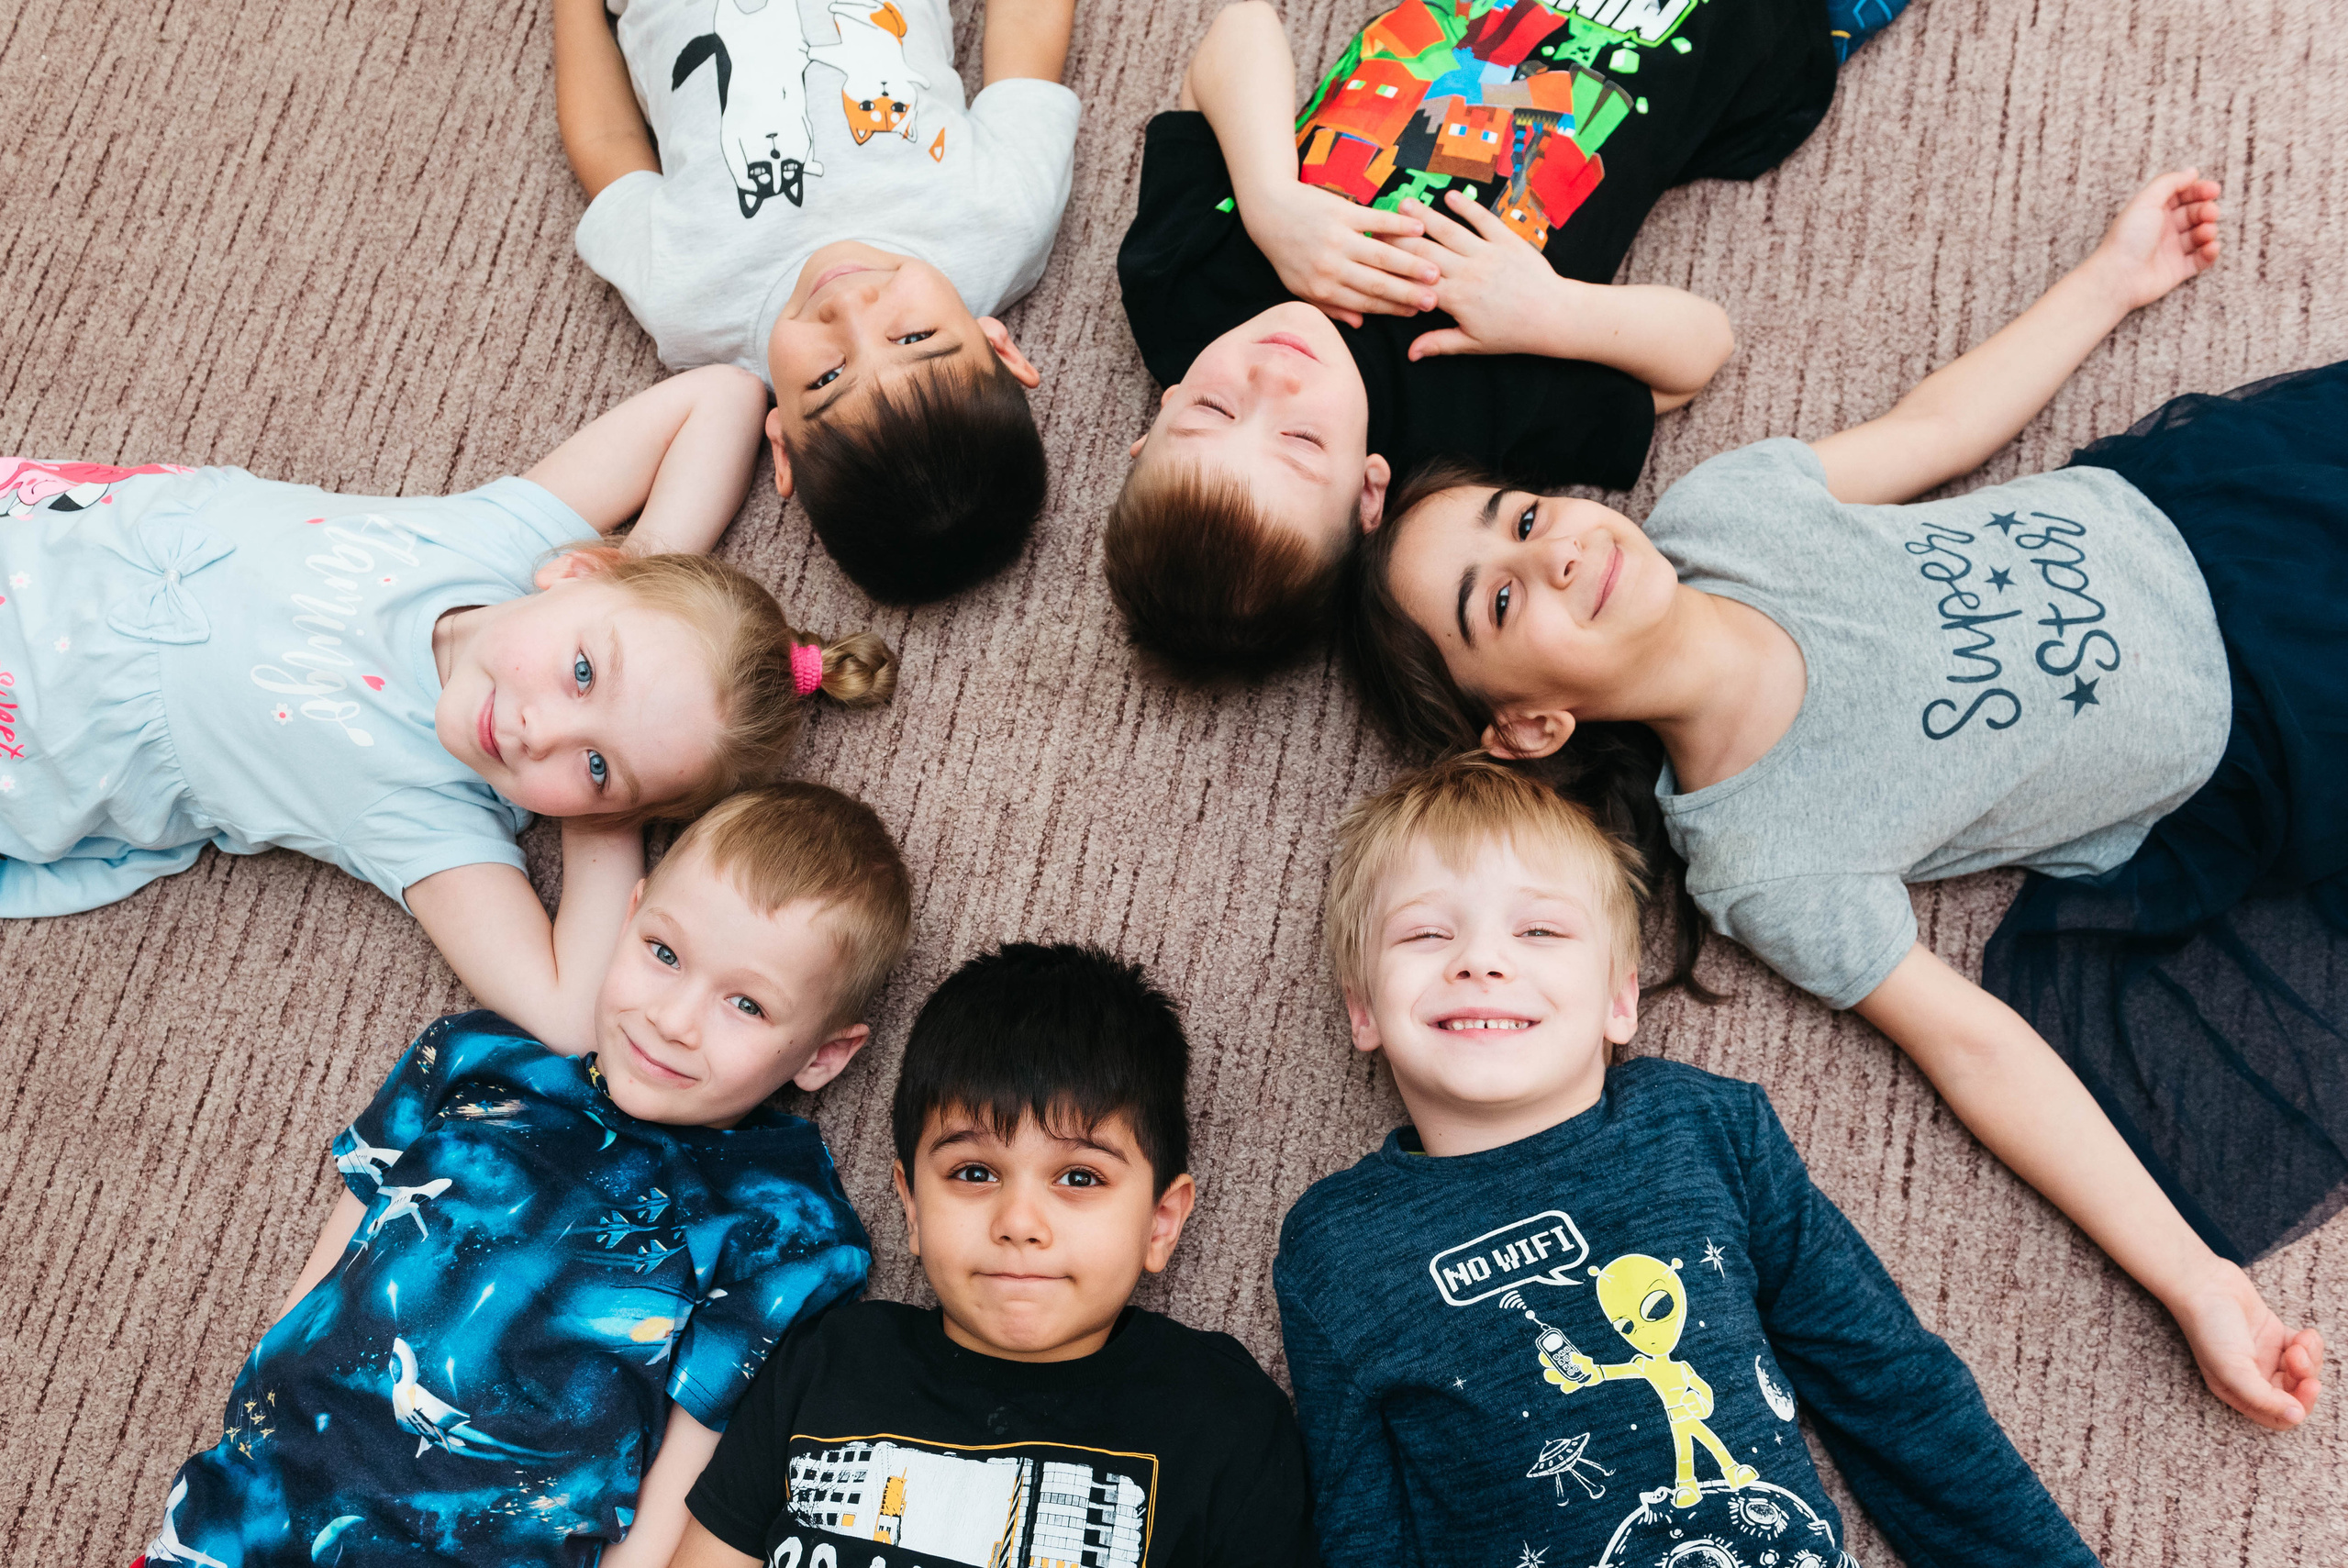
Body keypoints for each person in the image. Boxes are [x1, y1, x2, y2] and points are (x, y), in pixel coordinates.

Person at [1347, 169, 2334, 1430]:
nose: (1550, 550)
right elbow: (1971, 1047)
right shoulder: (1760, 855)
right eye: (1496, 601)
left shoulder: (1723, 511)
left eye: (1522, 514)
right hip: (2267, 726)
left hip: (2213, 515)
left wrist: (2106, 281)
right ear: (1529, 724)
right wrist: (2195, 1284)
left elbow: (1934, 427)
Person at [1278, 752, 2104, 1565]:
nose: (1481, 960)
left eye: (1538, 929)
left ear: (1619, 998)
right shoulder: (1338, 1247)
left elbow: (1887, 1381)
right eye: (1426, 932)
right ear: (1363, 1009)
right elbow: (1360, 1526)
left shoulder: (1704, 1128)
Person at [133, 782, 916, 1568]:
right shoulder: (475, 1061)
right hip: (243, 1510)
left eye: (745, 1004)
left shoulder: (782, 1226)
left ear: (823, 1054)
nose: (672, 1020)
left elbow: (693, 1470)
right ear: (630, 915)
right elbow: (328, 1271)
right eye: (664, 953)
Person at [0, 367, 896, 1052]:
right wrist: (646, 562)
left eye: (594, 763)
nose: (539, 729)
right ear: (576, 570)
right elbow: (725, 396)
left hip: (37, 725)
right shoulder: (500, 540)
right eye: (583, 669)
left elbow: (572, 1011)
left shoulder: (430, 813)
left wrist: (600, 819)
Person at [1107, 0, 1910, 676]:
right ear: (1368, 490)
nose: (1269, 382)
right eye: (1301, 439)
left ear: (1155, 422)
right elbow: (1700, 350)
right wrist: (1551, 311)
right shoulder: (1454, 414)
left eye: (1212, 409)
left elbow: (1237, 30)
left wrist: (1268, 198)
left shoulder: (1182, 294)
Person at [673, 941, 1319, 1567]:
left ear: (1159, 1222)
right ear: (914, 1207)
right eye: (975, 1172)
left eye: (1080, 1177)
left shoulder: (1222, 1420)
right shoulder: (821, 1365)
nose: (1018, 1222)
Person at [553, 0, 1080, 603]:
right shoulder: (1003, 218)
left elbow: (607, 141)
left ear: (780, 441)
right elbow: (1027, 25)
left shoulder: (690, 300)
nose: (849, 308)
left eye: (828, 377)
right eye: (915, 339)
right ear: (999, 346)